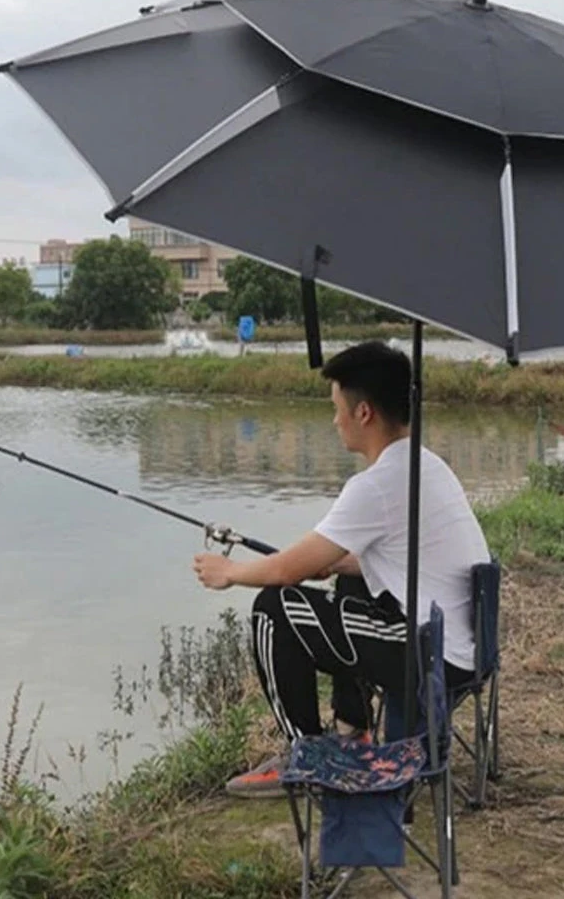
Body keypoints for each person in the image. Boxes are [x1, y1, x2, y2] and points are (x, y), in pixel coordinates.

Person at [192, 340, 489, 796]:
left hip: (433, 659)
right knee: (353, 573)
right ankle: (353, 731)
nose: (334, 421)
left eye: (337, 409)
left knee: (275, 608)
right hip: (462, 646)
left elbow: (285, 573)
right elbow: (395, 556)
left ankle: (303, 757)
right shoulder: (426, 464)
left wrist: (228, 572)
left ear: (364, 412)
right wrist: (334, 563)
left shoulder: (376, 485)